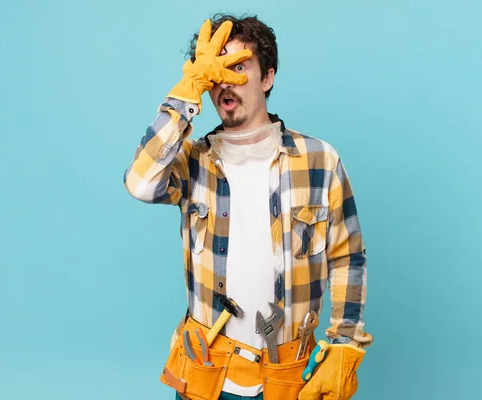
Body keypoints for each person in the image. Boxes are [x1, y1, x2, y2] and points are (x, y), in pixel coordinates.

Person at [124, 13, 373, 400]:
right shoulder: (192, 161)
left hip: (291, 378)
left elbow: (347, 259)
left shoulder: (320, 160)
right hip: (205, 374)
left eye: (238, 67)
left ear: (267, 77)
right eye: (216, 71)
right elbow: (140, 183)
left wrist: (345, 343)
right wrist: (186, 94)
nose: (227, 82)